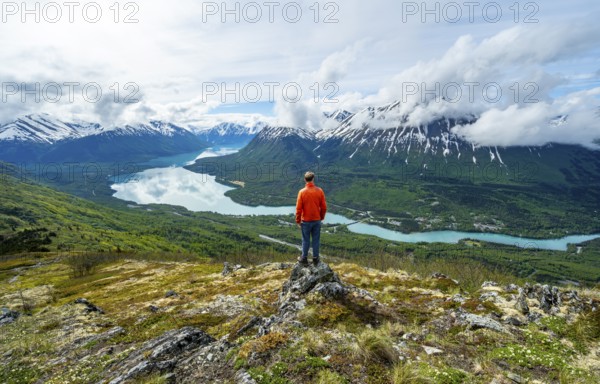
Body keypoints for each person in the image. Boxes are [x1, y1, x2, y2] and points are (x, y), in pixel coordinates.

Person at [295, 171, 327, 265]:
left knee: (305, 239)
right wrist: (321, 217)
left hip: (305, 221)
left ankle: (304, 258)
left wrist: (298, 220)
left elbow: (298, 209)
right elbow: (324, 207)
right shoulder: (319, 190)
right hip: (317, 220)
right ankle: (316, 258)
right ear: (313, 179)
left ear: (305, 180)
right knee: (316, 239)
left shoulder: (302, 192)